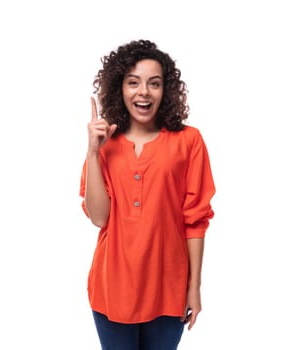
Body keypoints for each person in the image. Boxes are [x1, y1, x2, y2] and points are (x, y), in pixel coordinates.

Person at [79, 39, 216, 350]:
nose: (144, 92)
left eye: (154, 83)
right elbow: (100, 218)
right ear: (120, 89)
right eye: (133, 82)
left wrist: (194, 286)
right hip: (111, 287)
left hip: (168, 287)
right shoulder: (105, 145)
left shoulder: (189, 141)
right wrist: (92, 152)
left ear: (165, 91)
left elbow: (195, 220)